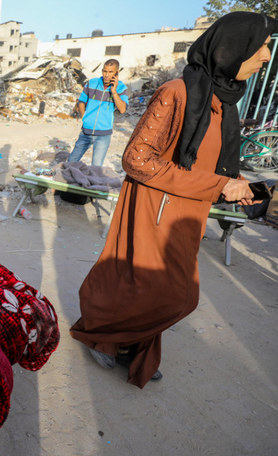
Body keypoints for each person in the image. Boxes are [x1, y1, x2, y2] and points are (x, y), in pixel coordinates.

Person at [69, 12, 278, 388]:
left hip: (188, 211)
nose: (266, 56)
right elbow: (135, 160)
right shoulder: (176, 93)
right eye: (261, 46)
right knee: (165, 292)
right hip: (157, 207)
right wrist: (217, 186)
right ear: (233, 49)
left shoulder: (224, 103)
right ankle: (102, 333)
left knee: (161, 290)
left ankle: (133, 346)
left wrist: (238, 183)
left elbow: (212, 162)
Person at [67, 59, 128, 166]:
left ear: (117, 73)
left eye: (110, 72)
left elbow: (122, 109)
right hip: (86, 132)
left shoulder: (121, 88)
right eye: (105, 71)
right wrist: (84, 117)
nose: (106, 75)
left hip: (103, 135)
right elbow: (81, 101)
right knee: (71, 162)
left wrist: (114, 91)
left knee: (96, 167)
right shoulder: (92, 83)